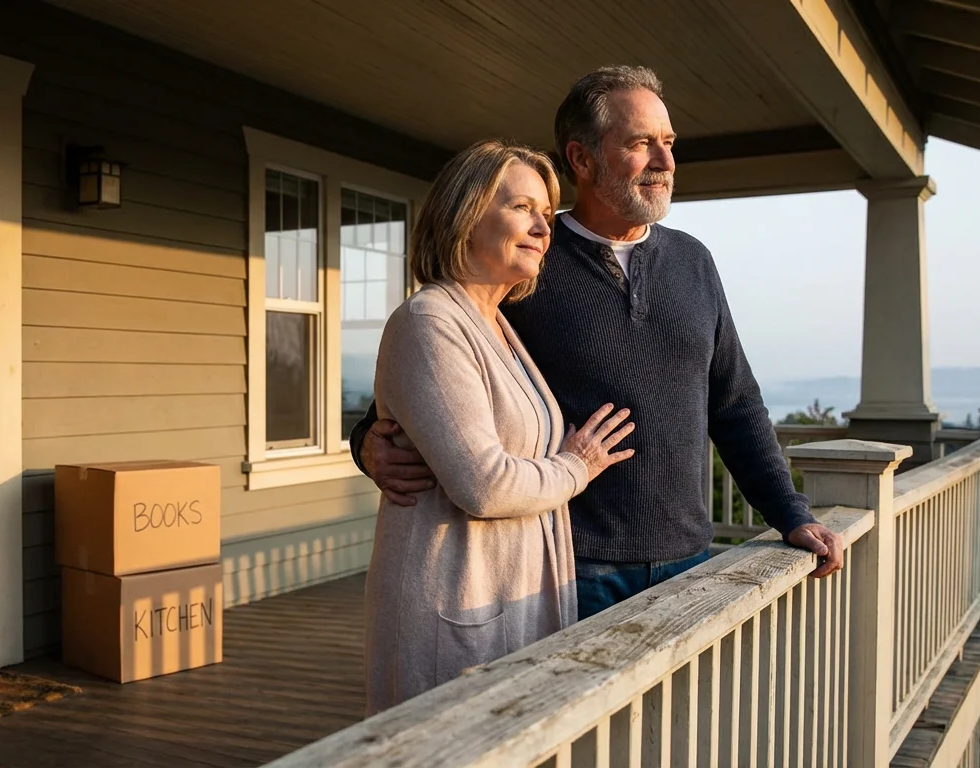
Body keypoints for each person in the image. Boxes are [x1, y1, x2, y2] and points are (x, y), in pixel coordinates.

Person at [351, 66, 845, 622]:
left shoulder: (693, 262)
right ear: (582, 160)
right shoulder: (526, 259)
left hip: (688, 557)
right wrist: (368, 441)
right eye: (640, 144)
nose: (664, 163)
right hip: (568, 563)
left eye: (668, 143)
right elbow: (427, 385)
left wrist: (790, 513)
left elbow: (733, 403)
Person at [362, 139, 637, 716]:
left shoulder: (499, 326)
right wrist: (576, 466)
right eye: (521, 207)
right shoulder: (431, 321)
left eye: (545, 213)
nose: (543, 226)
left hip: (511, 600)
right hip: (457, 603)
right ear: (464, 213)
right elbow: (483, 484)